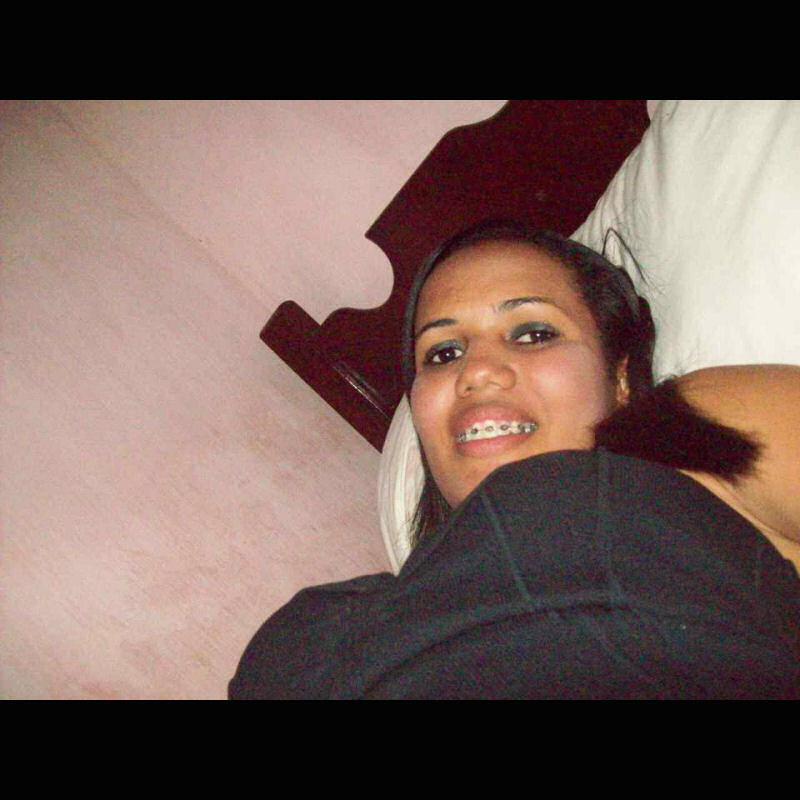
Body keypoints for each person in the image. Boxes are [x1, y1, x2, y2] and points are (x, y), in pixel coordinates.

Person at [229, 221, 799, 699]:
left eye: (532, 334)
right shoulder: (311, 633)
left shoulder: (706, 432)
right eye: (443, 353)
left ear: (621, 378)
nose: (476, 371)